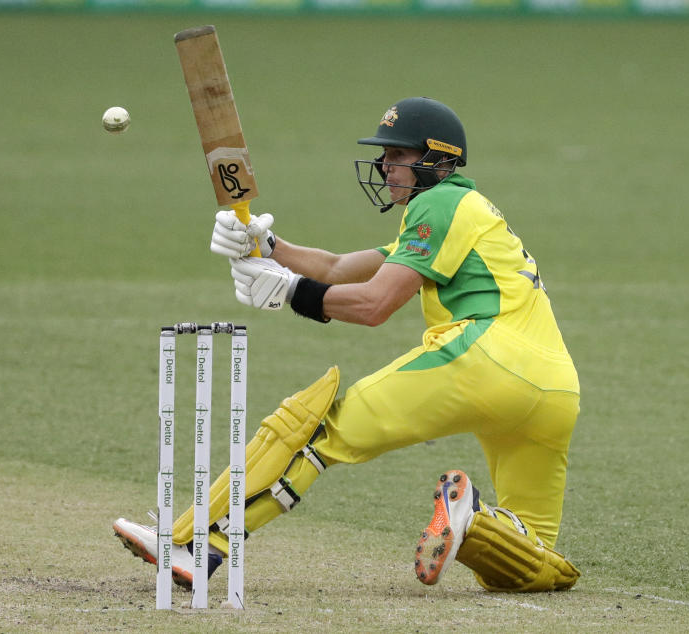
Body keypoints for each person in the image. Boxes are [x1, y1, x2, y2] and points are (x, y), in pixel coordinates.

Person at [114, 97, 581, 593]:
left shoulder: (437, 204)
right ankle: (474, 517)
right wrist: (266, 246)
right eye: (385, 156)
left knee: (317, 433)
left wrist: (292, 292)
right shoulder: (463, 211)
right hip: (555, 391)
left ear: (440, 160)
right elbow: (338, 268)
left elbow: (375, 304)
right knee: (532, 555)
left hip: (486, 358)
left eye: (398, 155)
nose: (385, 166)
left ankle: (196, 547)